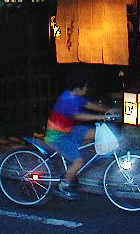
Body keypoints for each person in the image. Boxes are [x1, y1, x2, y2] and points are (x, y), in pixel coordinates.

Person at [44, 69, 110, 200]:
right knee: (79, 161)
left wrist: (107, 110)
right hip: (57, 138)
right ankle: (63, 186)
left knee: (95, 133)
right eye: (86, 86)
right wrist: (100, 116)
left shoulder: (73, 96)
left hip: (68, 131)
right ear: (79, 87)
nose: (87, 89)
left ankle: (73, 169)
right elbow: (79, 115)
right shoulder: (66, 100)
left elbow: (89, 104)